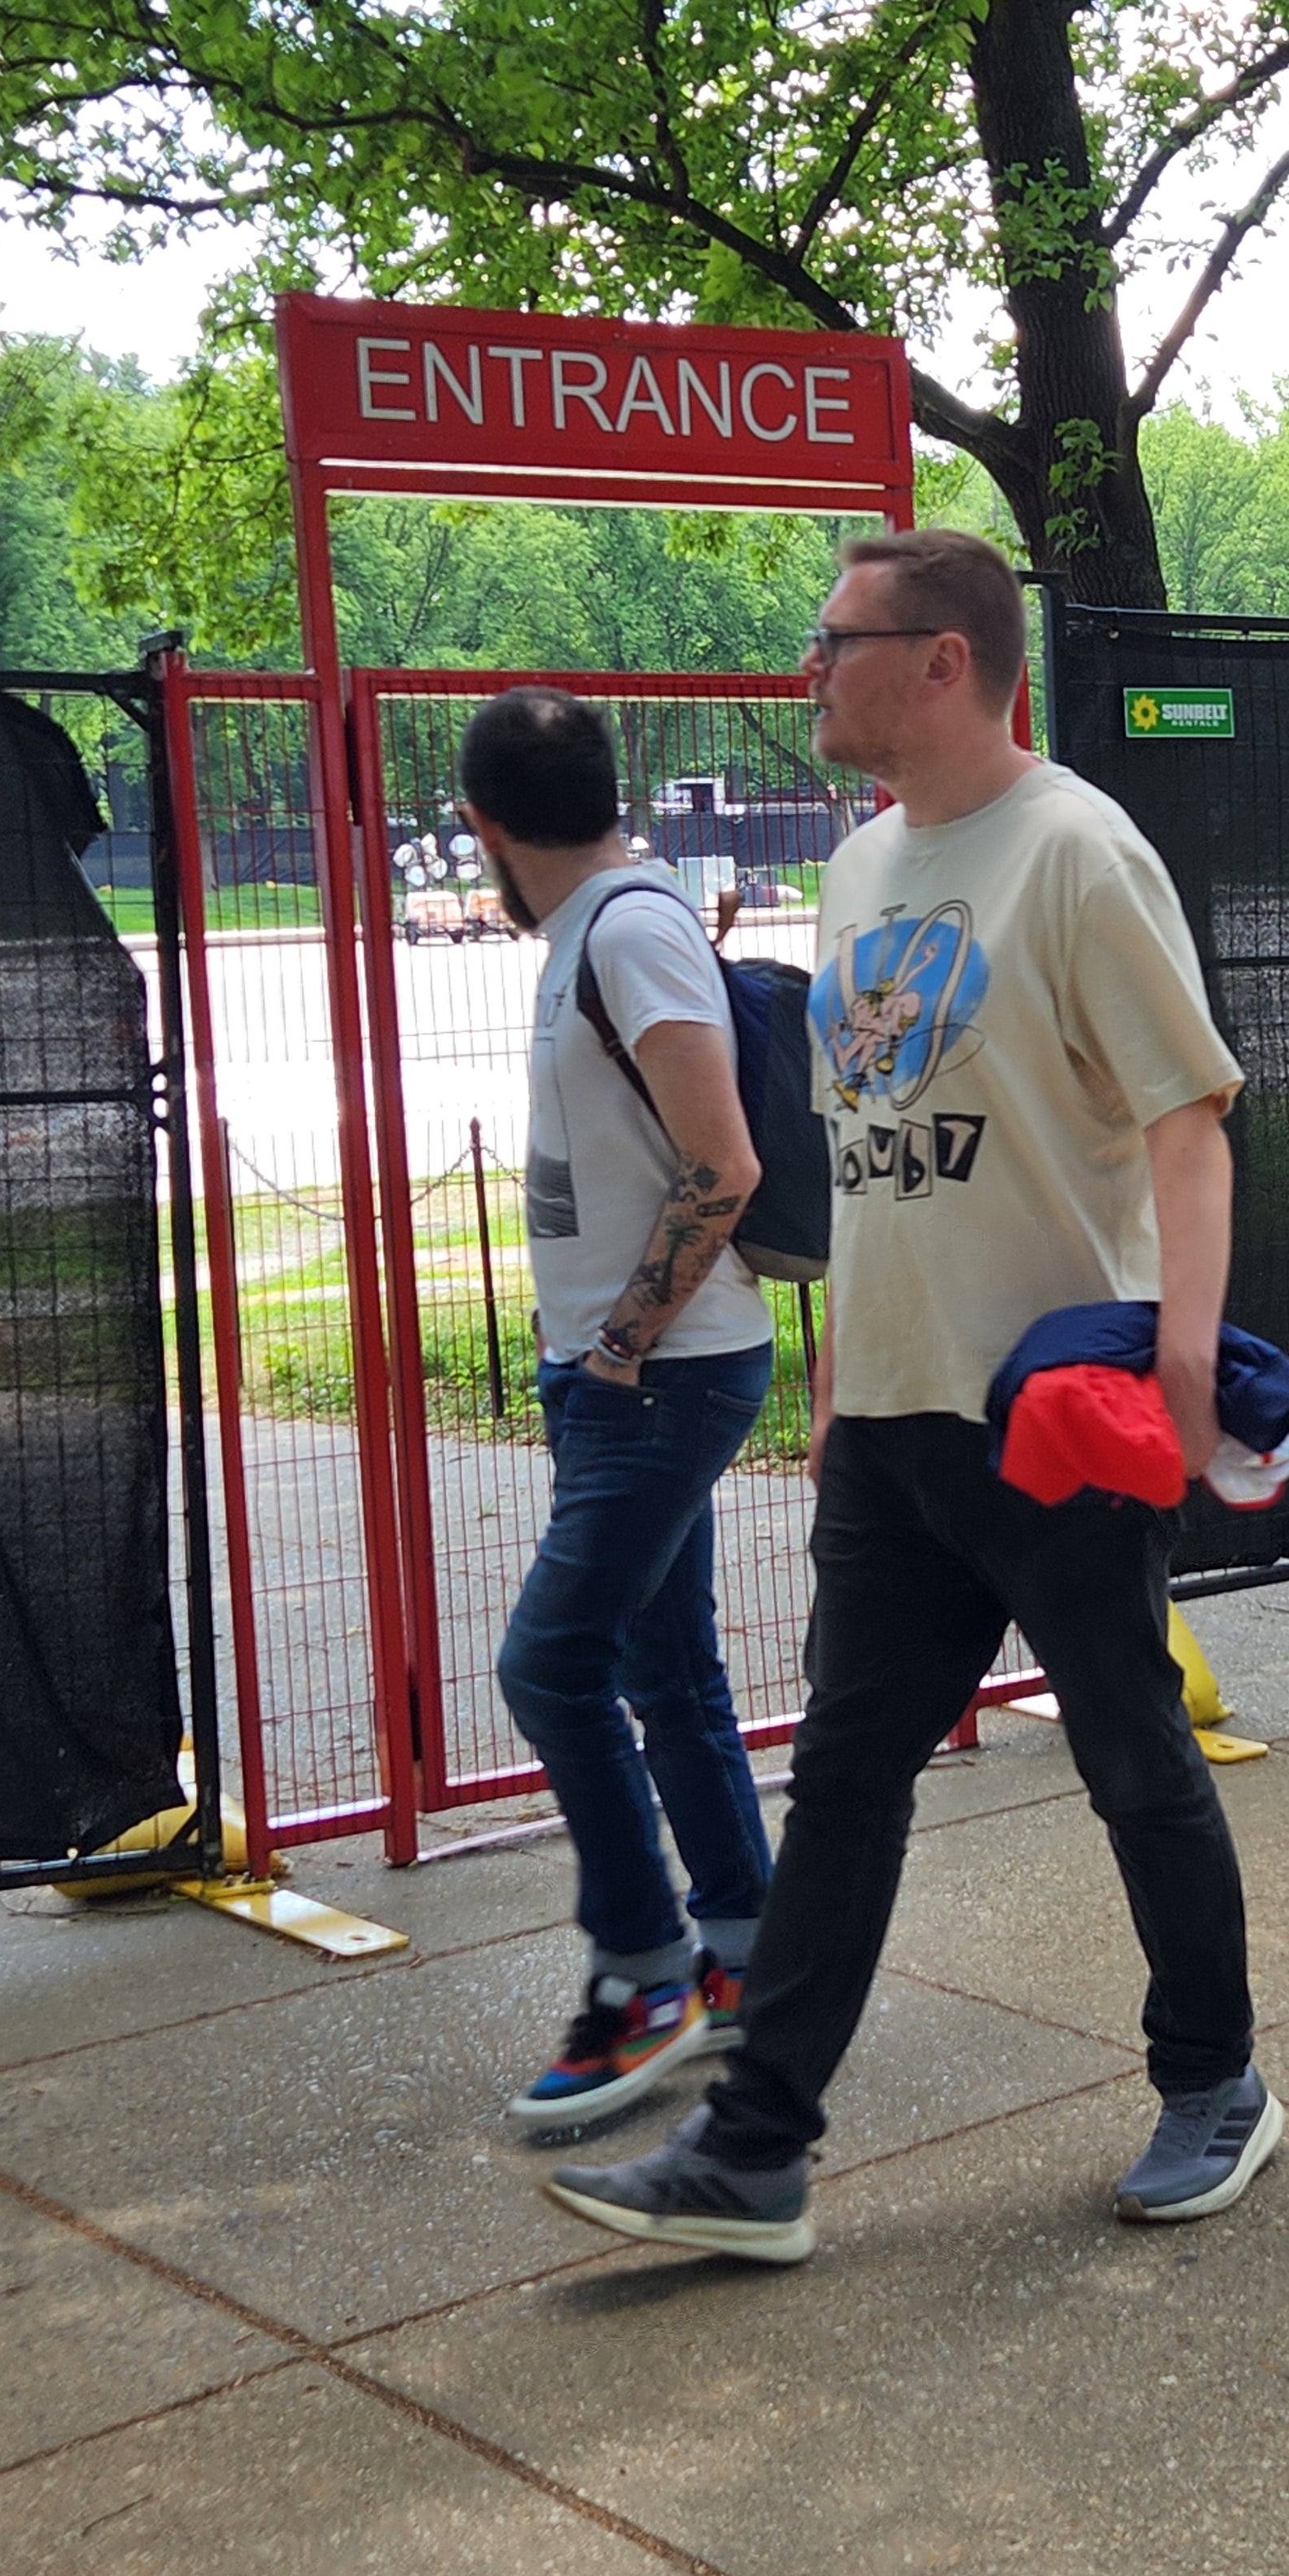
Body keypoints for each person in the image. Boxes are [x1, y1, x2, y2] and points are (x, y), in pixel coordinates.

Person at [542, 528, 1279, 2262]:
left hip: (1049, 1415)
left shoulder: (1081, 854)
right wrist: (840, 1382)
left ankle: (1218, 2082)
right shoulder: (860, 872)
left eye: (836, 640)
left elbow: (1190, 1117)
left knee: (1130, 1752)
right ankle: (755, 2149)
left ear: (942, 657)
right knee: (851, 1779)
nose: (809, 670)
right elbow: (875, 1164)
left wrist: (1182, 1354)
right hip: (889, 1420)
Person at [459, 687, 779, 2129]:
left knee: (551, 1666)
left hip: (661, 1375)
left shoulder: (633, 931)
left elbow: (725, 1166)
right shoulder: (597, 931)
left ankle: (643, 1970)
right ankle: (748, 1958)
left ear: (484, 827)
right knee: (666, 1670)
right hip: (630, 1369)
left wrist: (619, 1348)